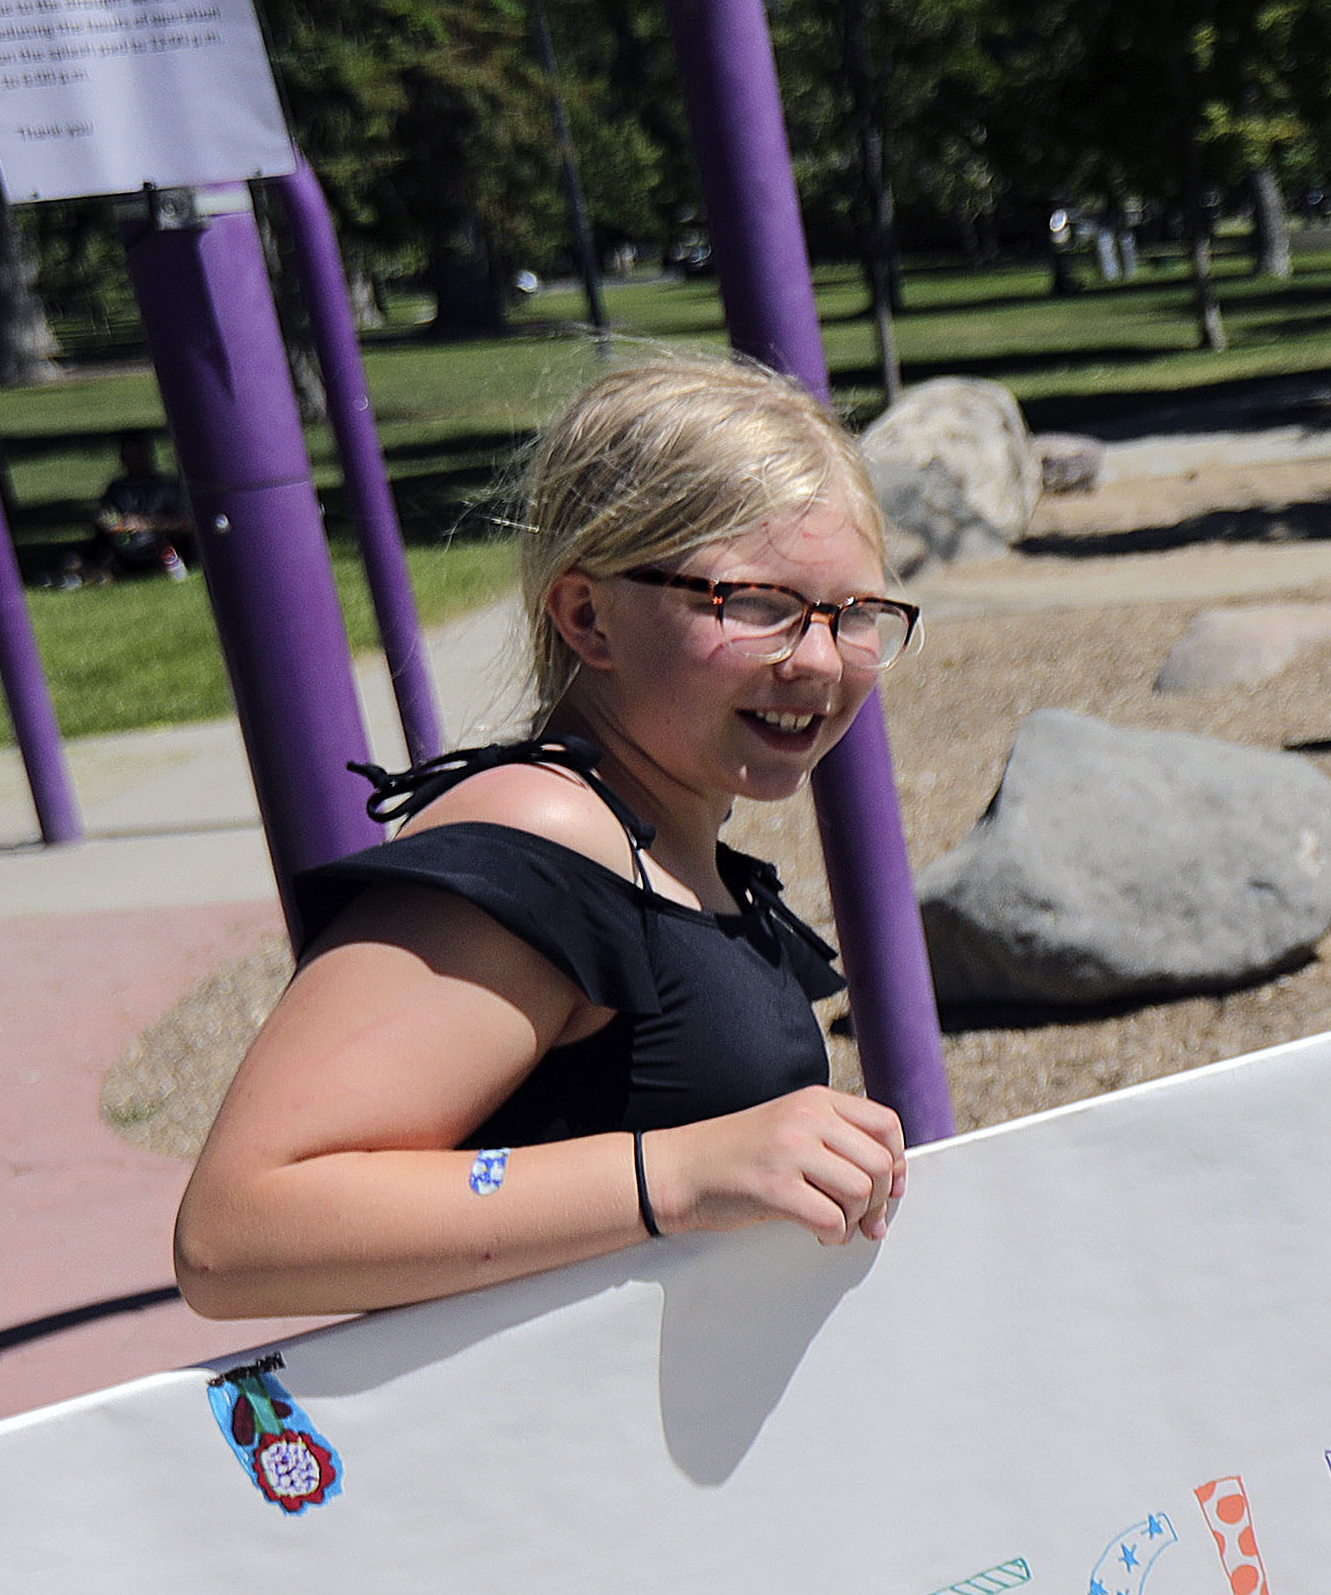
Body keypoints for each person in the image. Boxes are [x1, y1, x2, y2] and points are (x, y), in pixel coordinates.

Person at [174, 351, 919, 1320]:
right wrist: (677, 1174)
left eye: (854, 613)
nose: (818, 660)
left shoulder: (664, 845)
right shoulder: (544, 835)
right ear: (586, 616)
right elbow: (237, 1231)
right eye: (759, 606)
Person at [91, 430, 196, 579]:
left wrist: (145, 524)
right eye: (128, 455)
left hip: (158, 542)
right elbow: (104, 516)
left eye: (136, 454)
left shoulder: (166, 487)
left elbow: (186, 523)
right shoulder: (117, 489)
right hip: (126, 545)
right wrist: (110, 523)